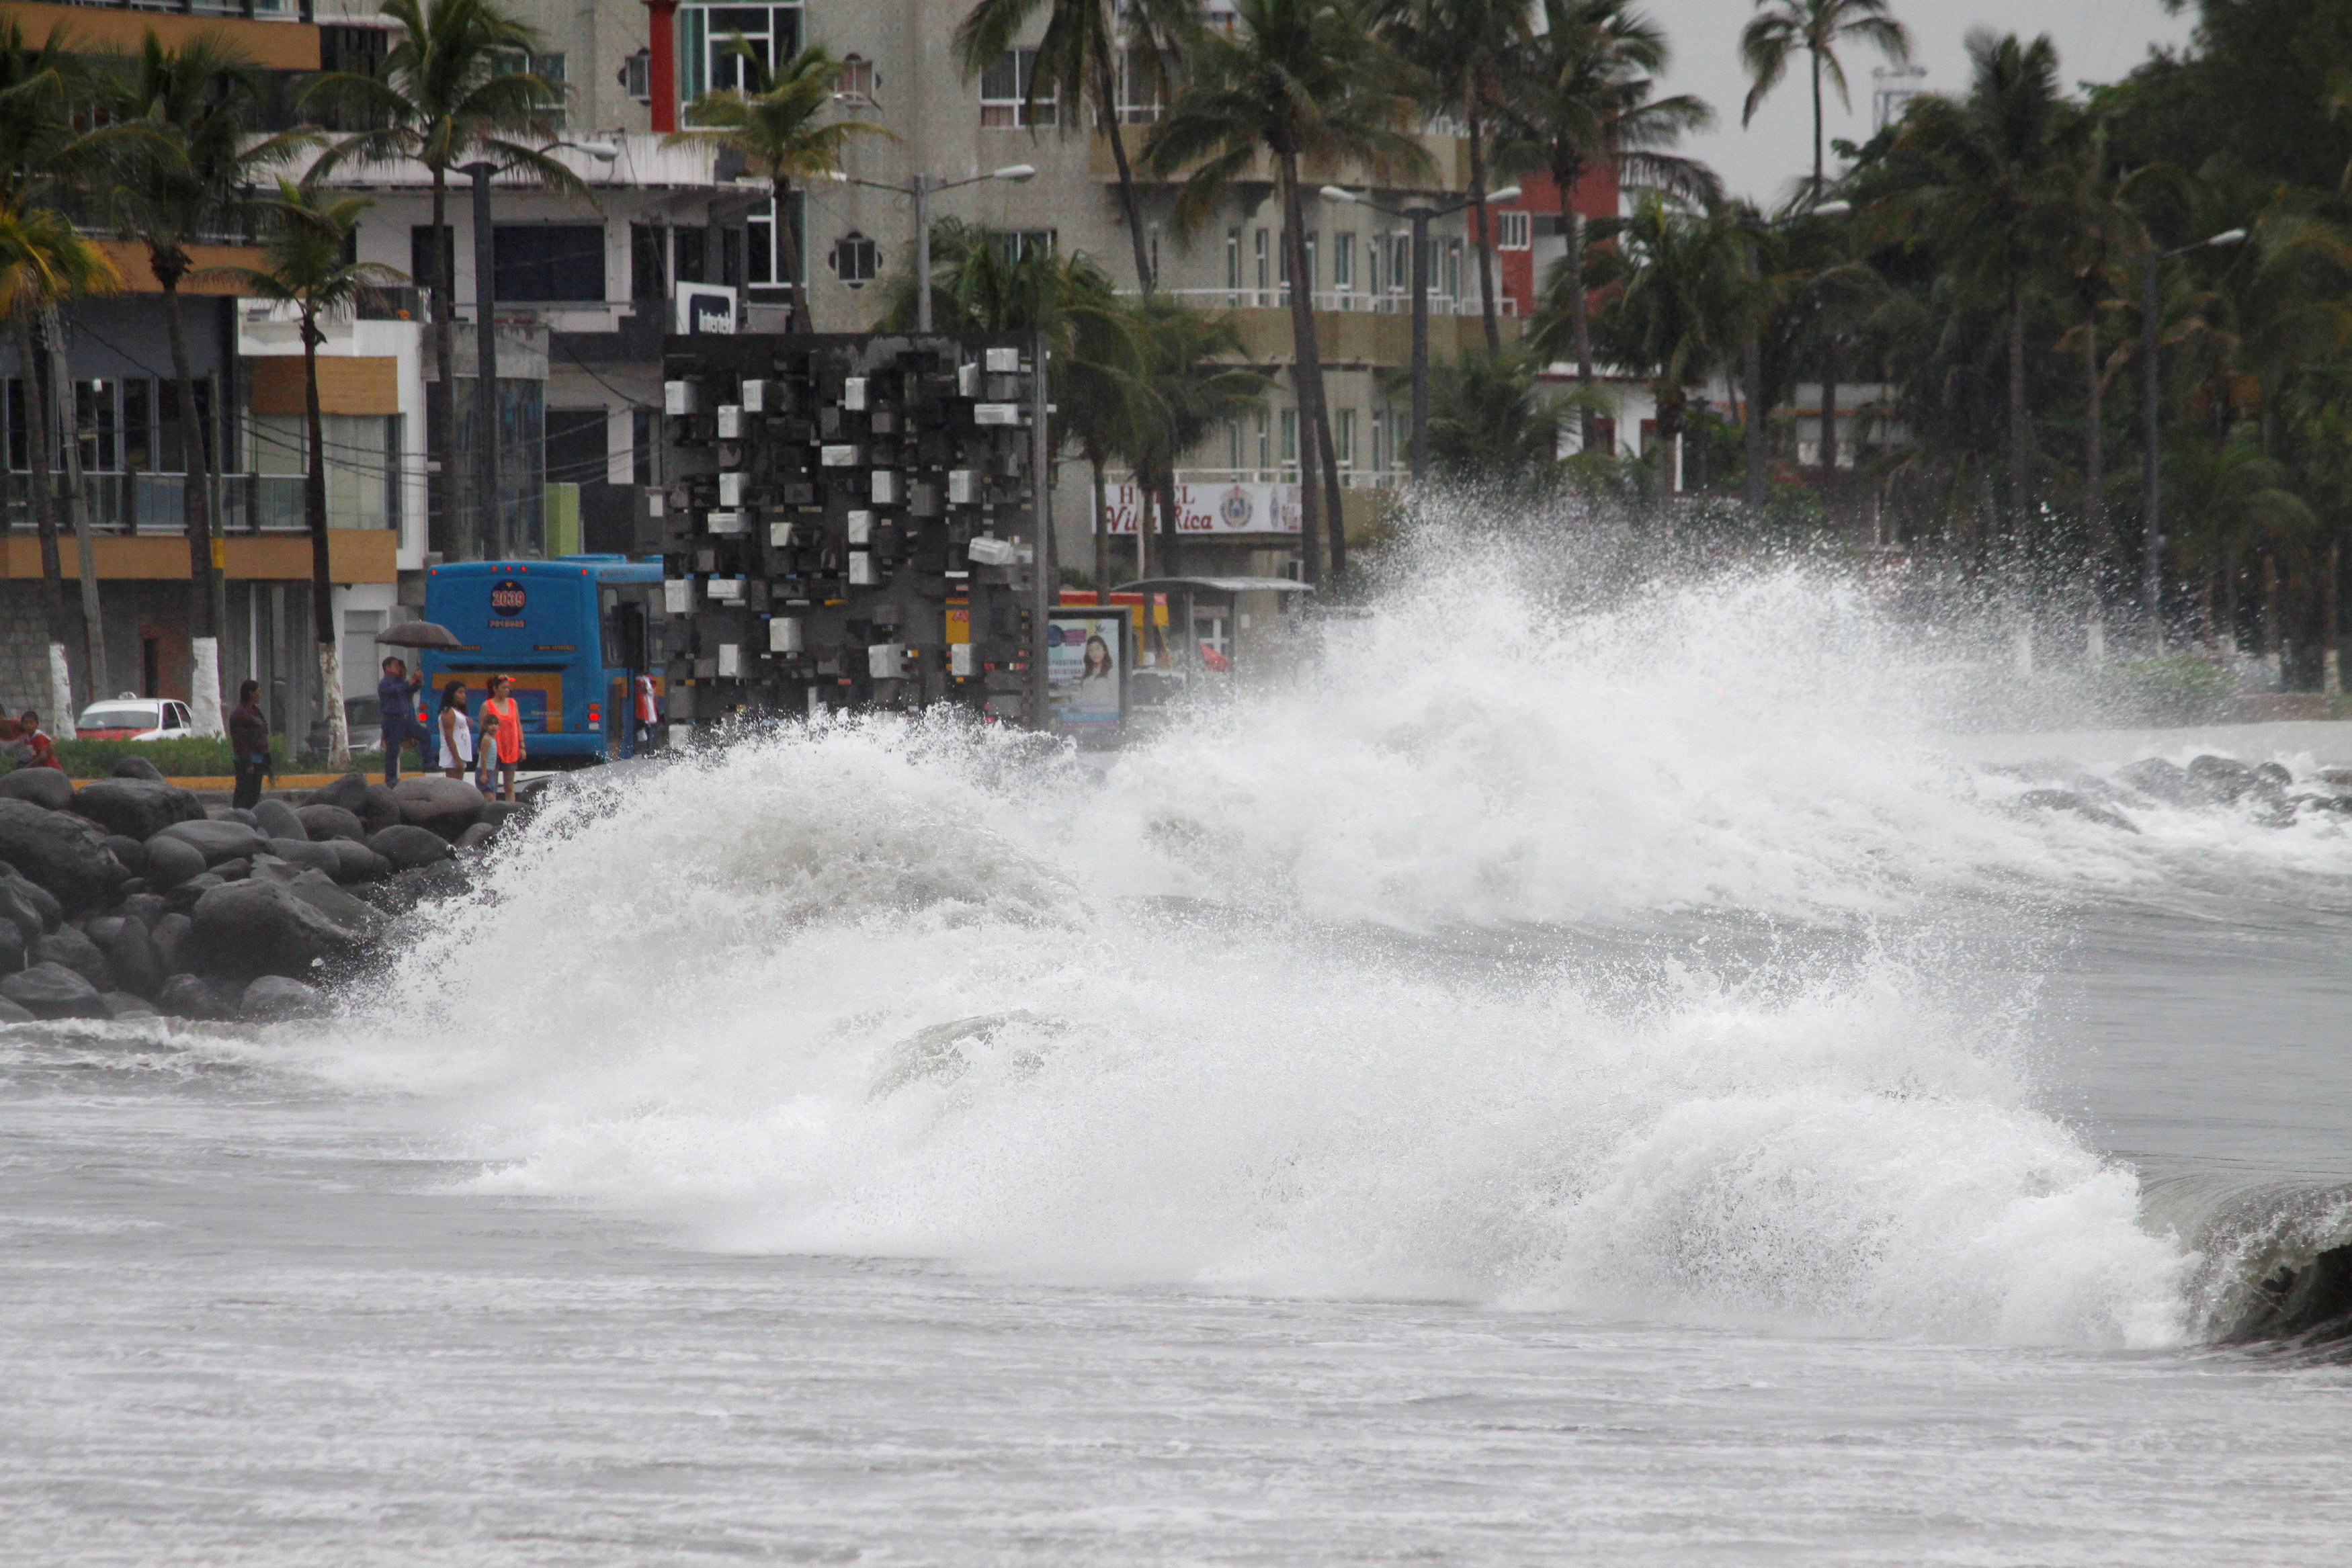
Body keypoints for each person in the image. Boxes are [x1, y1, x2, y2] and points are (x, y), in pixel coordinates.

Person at [377, 656, 424, 785]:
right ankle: (391, 779)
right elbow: (396, 690)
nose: (399, 668)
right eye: (396, 666)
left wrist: (418, 681)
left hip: (404, 720)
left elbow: (410, 689)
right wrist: (411, 680)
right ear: (388, 668)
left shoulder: (399, 682)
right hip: (392, 720)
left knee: (423, 734)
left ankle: (428, 763)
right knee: (393, 750)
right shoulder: (385, 683)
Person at [478, 673, 523, 801]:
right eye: (503, 687)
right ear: (495, 689)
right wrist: (481, 748)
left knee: (509, 786)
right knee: (492, 785)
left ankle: (511, 814)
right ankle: (492, 812)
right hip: (493, 749)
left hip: (511, 748)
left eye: (508, 688)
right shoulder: (487, 705)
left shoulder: (513, 703)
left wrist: (522, 745)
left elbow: (518, 724)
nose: (507, 691)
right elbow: (482, 729)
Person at [228, 681, 271, 808]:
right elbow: (240, 741)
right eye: (258, 691)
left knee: (254, 796)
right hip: (247, 762)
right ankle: (239, 821)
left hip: (259, 760)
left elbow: (262, 738)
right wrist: (247, 763)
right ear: (251, 693)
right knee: (244, 796)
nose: (260, 694)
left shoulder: (255, 711)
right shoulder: (240, 713)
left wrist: (268, 761)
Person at [437, 679, 473, 780]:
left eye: (464, 693)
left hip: (462, 753)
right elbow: (448, 736)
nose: (464, 695)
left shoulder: (459, 712)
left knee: (459, 784)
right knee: (453, 785)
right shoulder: (448, 712)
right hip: (454, 755)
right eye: (460, 692)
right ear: (452, 694)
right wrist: (457, 758)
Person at [632, 670, 659, 755]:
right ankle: (649, 751)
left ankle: (647, 750)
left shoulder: (640, 683)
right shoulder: (647, 683)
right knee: (648, 729)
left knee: (643, 729)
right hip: (647, 714)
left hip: (644, 714)